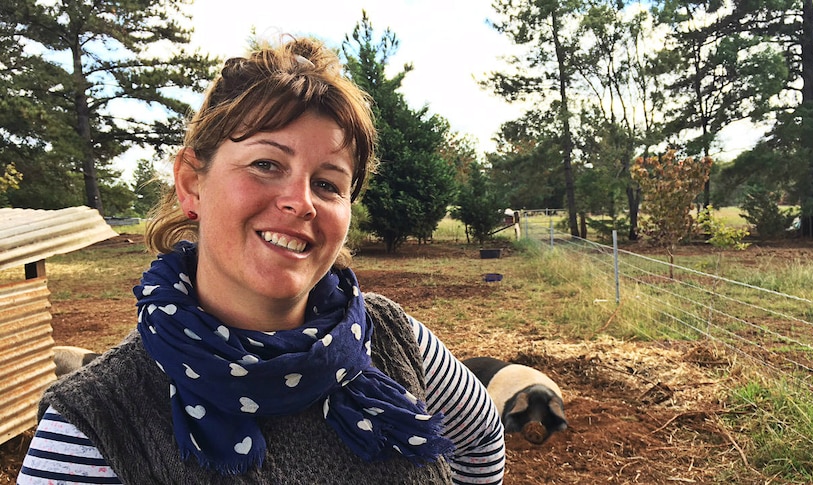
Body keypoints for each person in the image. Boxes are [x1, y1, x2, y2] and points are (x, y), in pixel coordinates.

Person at [18, 36, 505, 484]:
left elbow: (481, 442)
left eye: (328, 183)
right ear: (191, 183)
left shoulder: (396, 339)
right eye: (266, 164)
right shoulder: (95, 424)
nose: (302, 202)